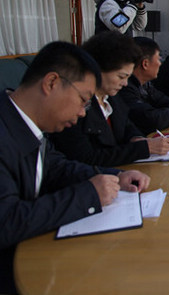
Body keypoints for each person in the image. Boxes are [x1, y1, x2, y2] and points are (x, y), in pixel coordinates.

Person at [0, 41, 150, 294]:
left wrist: (115, 176)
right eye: (83, 100)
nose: (82, 113)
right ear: (51, 83)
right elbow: (6, 221)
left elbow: (55, 166)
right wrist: (89, 195)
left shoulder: (25, 124)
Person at [50, 32, 169, 166]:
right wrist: (141, 149)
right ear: (97, 69)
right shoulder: (75, 108)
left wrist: (136, 138)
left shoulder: (112, 98)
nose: (125, 84)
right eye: (121, 77)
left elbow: (126, 125)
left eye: (127, 77)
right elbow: (86, 158)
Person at [118, 37, 169, 135]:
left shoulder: (146, 84)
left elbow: (162, 99)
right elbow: (150, 119)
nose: (160, 64)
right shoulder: (124, 87)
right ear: (145, 64)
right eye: (158, 59)